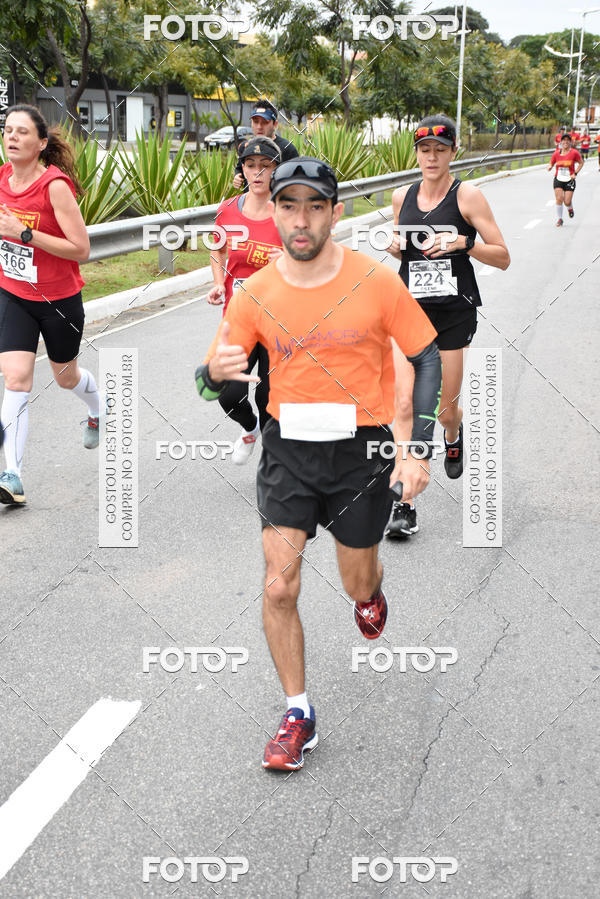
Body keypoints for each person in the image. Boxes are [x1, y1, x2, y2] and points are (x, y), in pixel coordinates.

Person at [196, 157, 442, 770]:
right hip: (288, 453)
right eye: (288, 206)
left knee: (357, 578)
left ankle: (370, 594)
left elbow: (428, 354)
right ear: (273, 210)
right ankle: (298, 713)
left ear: (335, 212)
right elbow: (209, 380)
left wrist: (417, 447)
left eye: (313, 207)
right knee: (279, 583)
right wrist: (210, 376)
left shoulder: (376, 282)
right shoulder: (255, 292)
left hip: (362, 454)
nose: (299, 221)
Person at [385, 114, 510, 539]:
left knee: (442, 409)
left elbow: (503, 255)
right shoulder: (402, 196)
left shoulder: (468, 196)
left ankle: (453, 434)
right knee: (405, 405)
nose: (432, 157)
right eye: (424, 150)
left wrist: (465, 243)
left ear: (452, 152)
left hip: (453, 314)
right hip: (410, 312)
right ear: (416, 153)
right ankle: (405, 503)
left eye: (440, 149)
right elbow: (406, 256)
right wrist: (396, 247)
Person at [0, 105, 96, 506]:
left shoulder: (55, 186)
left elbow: (82, 249)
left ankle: (97, 409)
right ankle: (13, 475)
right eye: (8, 130)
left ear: (41, 144)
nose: (12, 137)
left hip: (58, 301)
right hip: (13, 294)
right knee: (17, 378)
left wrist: (23, 234)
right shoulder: (2, 177)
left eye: (23, 132)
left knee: (66, 378)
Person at [206, 137, 283, 463]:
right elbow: (217, 248)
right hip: (237, 317)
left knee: (268, 393)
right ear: (243, 169)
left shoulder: (286, 210)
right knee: (228, 390)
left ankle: (270, 463)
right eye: (251, 166)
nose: (257, 172)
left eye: (264, 166)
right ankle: (249, 428)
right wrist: (217, 284)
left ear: (274, 169)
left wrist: (289, 259)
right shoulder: (227, 210)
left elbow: (311, 255)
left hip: (277, 319)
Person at [232, 101, 298, 192]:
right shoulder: (245, 146)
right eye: (255, 122)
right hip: (249, 202)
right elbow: (240, 167)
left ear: (275, 124)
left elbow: (296, 180)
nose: (259, 126)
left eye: (264, 122)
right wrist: (237, 176)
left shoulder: (287, 148)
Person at [548, 132, 583, 226]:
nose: (566, 142)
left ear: (570, 142)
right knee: (559, 198)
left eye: (568, 140)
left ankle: (570, 208)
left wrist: (575, 173)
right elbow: (551, 162)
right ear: (561, 142)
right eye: (564, 140)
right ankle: (560, 219)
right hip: (558, 178)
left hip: (569, 179)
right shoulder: (556, 154)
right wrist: (550, 166)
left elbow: (581, 163)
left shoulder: (574, 153)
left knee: (567, 201)